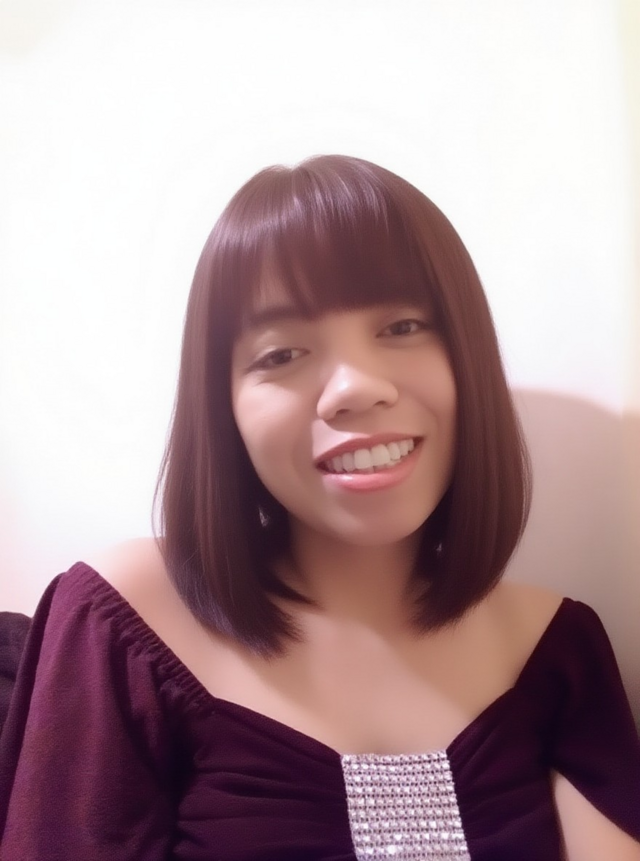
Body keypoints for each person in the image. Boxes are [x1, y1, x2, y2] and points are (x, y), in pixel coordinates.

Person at [0, 155, 639, 861]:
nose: (354, 389)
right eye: (281, 354)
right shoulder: (123, 619)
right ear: (224, 406)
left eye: (402, 326)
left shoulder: (557, 646)